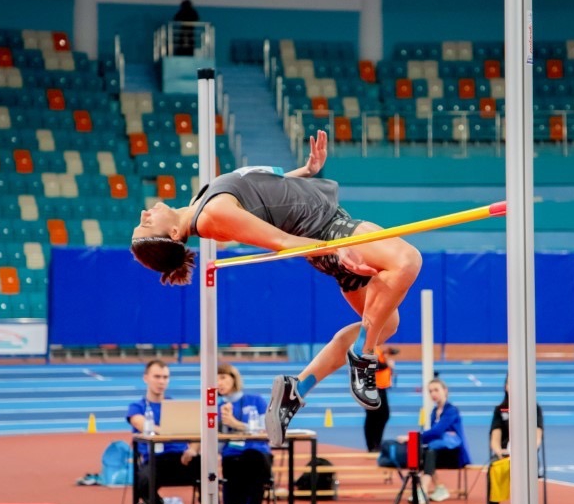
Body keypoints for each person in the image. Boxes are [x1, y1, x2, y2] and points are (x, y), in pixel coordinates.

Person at [130, 130, 422, 448]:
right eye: (146, 223)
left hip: (324, 233)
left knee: (386, 322)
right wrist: (334, 248)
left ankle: (297, 388)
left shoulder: (200, 203)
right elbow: (281, 242)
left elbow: (262, 194)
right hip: (325, 232)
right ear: (174, 233)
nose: (144, 213)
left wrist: (306, 172)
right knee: (407, 260)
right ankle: (363, 356)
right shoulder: (212, 215)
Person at [126, 359, 200, 504]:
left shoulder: (176, 407)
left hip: (181, 459)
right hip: (155, 460)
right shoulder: (137, 407)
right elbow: (140, 424)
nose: (161, 381)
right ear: (146, 378)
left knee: (208, 470)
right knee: (143, 480)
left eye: (165, 377)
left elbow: (195, 432)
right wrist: (169, 431)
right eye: (157, 376)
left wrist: (193, 450)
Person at [217, 362, 273, 504]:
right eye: (215, 379)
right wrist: (222, 425)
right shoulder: (217, 407)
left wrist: (236, 424)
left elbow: (267, 430)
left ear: (234, 378)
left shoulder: (256, 400)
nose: (219, 382)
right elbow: (217, 445)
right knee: (235, 464)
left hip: (258, 453)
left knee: (252, 460)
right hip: (232, 456)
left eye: (223, 377)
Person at [396, 377, 471, 501]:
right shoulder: (433, 412)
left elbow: (437, 432)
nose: (433, 394)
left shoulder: (452, 411)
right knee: (424, 452)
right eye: (430, 391)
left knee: (430, 451)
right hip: (438, 452)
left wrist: (412, 437)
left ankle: (423, 490)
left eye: (436, 390)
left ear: (445, 391)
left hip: (454, 454)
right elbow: (433, 436)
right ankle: (440, 488)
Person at [486, 375, 544, 504]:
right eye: (511, 384)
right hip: (504, 457)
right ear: (506, 387)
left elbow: (537, 436)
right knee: (494, 469)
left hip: (527, 457)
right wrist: (499, 452)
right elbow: (495, 438)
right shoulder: (501, 410)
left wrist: (527, 452)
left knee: (525, 470)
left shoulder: (533, 408)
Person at [364, 345, 398, 452]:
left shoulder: (377, 349)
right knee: (374, 416)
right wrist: (387, 364)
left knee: (382, 416)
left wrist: (386, 355)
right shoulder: (369, 347)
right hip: (372, 387)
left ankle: (376, 444)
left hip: (380, 388)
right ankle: (373, 445)